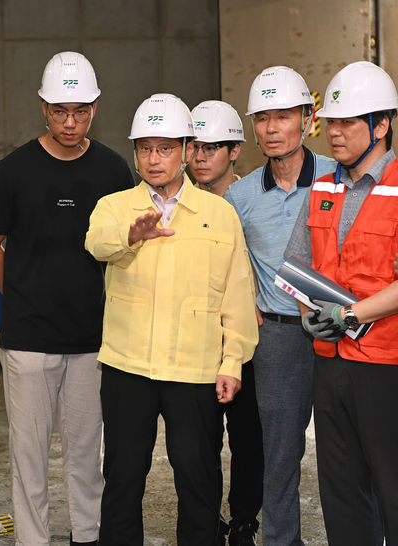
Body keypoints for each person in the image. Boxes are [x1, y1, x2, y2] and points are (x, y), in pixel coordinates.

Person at [85, 93, 258, 545]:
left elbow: (237, 294)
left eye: (164, 148)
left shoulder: (219, 215)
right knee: (122, 479)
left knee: (199, 481)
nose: (154, 158)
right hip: (129, 367)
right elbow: (96, 244)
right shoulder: (115, 207)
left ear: (186, 149)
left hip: (196, 370)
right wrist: (131, 233)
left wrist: (233, 362)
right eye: (145, 148)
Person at [0, 51, 134, 546]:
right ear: (43, 107)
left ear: (95, 107)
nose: (71, 122)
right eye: (60, 111)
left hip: (93, 338)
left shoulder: (113, 170)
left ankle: (87, 536)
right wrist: (21, 297)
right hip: (28, 342)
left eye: (82, 111)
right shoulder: (11, 172)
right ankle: (33, 539)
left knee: (87, 451)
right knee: (29, 455)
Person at [285, 60, 398, 546]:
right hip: (330, 363)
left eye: (347, 122)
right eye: (330, 122)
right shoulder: (324, 187)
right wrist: (309, 314)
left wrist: (351, 314)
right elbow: (295, 266)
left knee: (392, 489)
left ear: (381, 125)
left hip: (386, 366)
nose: (334, 132)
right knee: (340, 490)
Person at [222, 66, 335, 546]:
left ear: (307, 120)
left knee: (349, 452)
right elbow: (228, 268)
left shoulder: (339, 177)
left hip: (343, 333)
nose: (270, 128)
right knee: (280, 456)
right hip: (278, 339)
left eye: (283, 116)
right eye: (261, 118)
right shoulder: (239, 197)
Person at [189, 100, 263, 546]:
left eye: (212, 147)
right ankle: (207, 518)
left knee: (247, 438)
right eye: (194, 146)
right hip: (197, 340)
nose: (200, 156)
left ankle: (243, 521)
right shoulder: (175, 201)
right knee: (198, 441)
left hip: (244, 339)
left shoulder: (251, 199)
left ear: (234, 151)